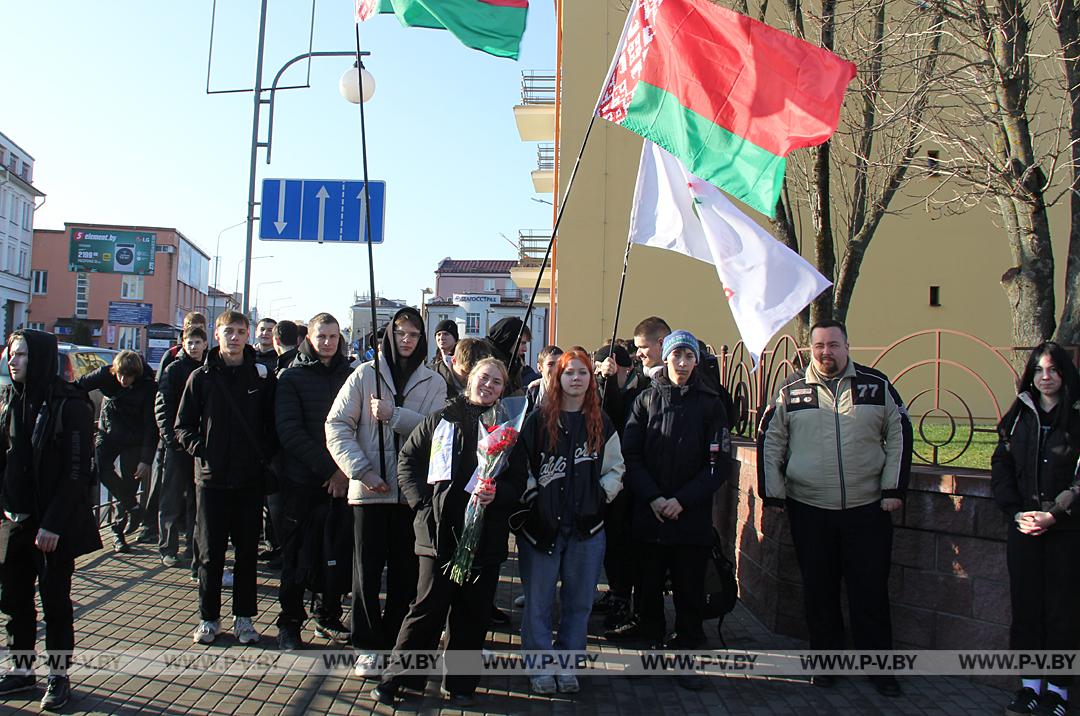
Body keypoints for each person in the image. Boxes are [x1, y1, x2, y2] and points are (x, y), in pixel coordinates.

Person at [757, 319, 912, 697]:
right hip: (810, 509)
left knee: (870, 592)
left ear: (847, 345)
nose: (826, 352)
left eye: (834, 345)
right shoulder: (791, 390)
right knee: (819, 591)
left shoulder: (876, 386)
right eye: (819, 346)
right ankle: (826, 665)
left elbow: (899, 434)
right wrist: (774, 494)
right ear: (811, 349)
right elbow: (772, 440)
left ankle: (879, 670)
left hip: (867, 510)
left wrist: (893, 489)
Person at [371, 358, 527, 706]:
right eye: (484, 378)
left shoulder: (508, 429)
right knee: (427, 608)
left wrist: (498, 494)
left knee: (472, 614)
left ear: (504, 389)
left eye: (497, 382)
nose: (489, 385)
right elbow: (407, 462)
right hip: (438, 533)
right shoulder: (441, 418)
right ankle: (400, 678)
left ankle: (460, 684)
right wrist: (422, 506)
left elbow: (519, 480)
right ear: (470, 378)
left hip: (484, 535)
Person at [326, 307, 447, 676]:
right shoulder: (365, 375)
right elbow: (337, 425)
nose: (406, 340)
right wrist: (360, 470)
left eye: (413, 334)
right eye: (400, 334)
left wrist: (395, 415)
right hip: (369, 491)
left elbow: (438, 432)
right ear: (389, 336)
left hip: (412, 495)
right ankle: (366, 643)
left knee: (405, 573)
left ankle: (397, 640)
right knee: (365, 569)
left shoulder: (433, 382)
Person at [621, 330, 734, 691]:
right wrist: (654, 498)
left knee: (688, 593)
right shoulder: (644, 400)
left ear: (696, 361)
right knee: (648, 588)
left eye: (688, 357)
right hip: (650, 515)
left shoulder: (711, 404)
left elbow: (717, 464)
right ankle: (651, 648)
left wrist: (682, 500)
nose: (682, 364)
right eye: (676, 357)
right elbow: (630, 455)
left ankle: (687, 653)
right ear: (665, 358)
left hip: (690, 518)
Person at [0, 330, 101, 711]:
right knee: (14, 600)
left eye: (22, 354)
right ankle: (21, 671)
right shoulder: (11, 397)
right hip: (15, 519)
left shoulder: (70, 405)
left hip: (52, 524)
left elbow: (77, 471)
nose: (13, 361)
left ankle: (58, 676)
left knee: (55, 602)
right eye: (11, 354)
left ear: (40, 358)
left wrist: (54, 524)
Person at [516, 349, 625, 695]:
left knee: (579, 603)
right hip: (543, 528)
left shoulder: (601, 421)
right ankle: (539, 666)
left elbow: (616, 468)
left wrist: (601, 497)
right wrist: (534, 499)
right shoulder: (537, 420)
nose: (575, 378)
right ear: (557, 378)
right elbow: (522, 468)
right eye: (569, 372)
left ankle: (567, 664)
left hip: (586, 530)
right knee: (539, 602)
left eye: (582, 372)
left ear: (591, 379)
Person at [175, 310, 277, 646]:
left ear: (249, 335)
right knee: (210, 553)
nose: (234, 337)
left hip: (249, 480)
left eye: (240, 331)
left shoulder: (262, 377)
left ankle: (244, 618)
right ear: (216, 334)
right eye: (228, 331)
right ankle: (208, 618)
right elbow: (182, 425)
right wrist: (201, 449)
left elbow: (271, 425)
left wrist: (264, 457)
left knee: (247, 552)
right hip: (211, 479)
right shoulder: (201, 377)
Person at [991, 342, 1080, 716]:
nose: (1045, 377)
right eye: (1039, 370)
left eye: (1053, 370)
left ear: (1064, 374)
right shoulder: (1019, 416)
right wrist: (1016, 513)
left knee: (1062, 611)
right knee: (1026, 608)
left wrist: (1055, 515)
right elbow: (1003, 466)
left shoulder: (1077, 416)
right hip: (1023, 528)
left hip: (1065, 531)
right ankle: (1029, 687)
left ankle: (1057, 692)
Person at [275, 313, 354, 651]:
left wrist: (345, 472)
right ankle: (290, 622)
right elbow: (290, 431)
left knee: (337, 552)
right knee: (296, 556)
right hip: (302, 481)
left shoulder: (351, 376)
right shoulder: (291, 377)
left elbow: (358, 427)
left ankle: (329, 612)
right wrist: (329, 471)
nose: (327, 343)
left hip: (342, 482)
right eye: (322, 336)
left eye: (333, 337)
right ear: (309, 336)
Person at [77, 349, 158, 553]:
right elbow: (79, 386)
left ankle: (118, 533)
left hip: (134, 439)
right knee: (102, 470)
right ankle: (134, 507)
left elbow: (151, 425)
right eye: (120, 374)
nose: (123, 379)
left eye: (128, 376)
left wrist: (146, 459)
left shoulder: (148, 386)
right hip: (108, 431)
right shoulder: (106, 373)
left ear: (136, 375)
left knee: (130, 483)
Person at [592, 342, 647, 630]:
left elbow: (618, 418)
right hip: (608, 478)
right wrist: (605, 381)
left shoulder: (643, 390)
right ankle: (615, 591)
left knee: (626, 545)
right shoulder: (601, 386)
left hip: (633, 481)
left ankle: (625, 598)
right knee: (612, 543)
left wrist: (612, 381)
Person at [155, 325, 207, 568]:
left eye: (198, 342)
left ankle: (192, 546)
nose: (194, 346)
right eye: (190, 342)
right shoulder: (173, 370)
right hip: (177, 445)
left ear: (206, 344)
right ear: (183, 345)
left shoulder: (209, 369)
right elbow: (162, 407)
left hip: (199, 445)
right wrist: (170, 439)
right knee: (171, 499)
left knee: (196, 501)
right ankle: (167, 547)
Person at [485, 316, 527, 395]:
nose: (525, 349)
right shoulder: (487, 362)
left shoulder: (515, 364)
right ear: (508, 339)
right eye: (522, 343)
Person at [525, 345, 563, 412]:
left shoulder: (569, 391)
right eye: (551, 364)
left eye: (560, 364)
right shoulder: (531, 392)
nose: (556, 369)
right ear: (539, 367)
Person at [430, 319, 458, 385]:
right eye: (438, 334)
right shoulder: (432, 365)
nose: (441, 338)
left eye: (446, 334)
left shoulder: (462, 362)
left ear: (455, 338)